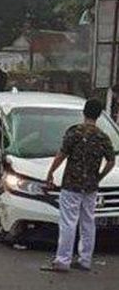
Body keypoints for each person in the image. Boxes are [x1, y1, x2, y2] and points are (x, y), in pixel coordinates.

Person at [42, 99, 116, 273]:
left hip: (71, 184)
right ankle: (85, 260)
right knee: (88, 222)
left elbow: (61, 154)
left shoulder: (75, 132)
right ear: (99, 115)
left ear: (84, 112)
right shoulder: (103, 137)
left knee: (68, 222)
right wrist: (99, 177)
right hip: (91, 186)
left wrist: (51, 172)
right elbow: (111, 161)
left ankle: (62, 260)